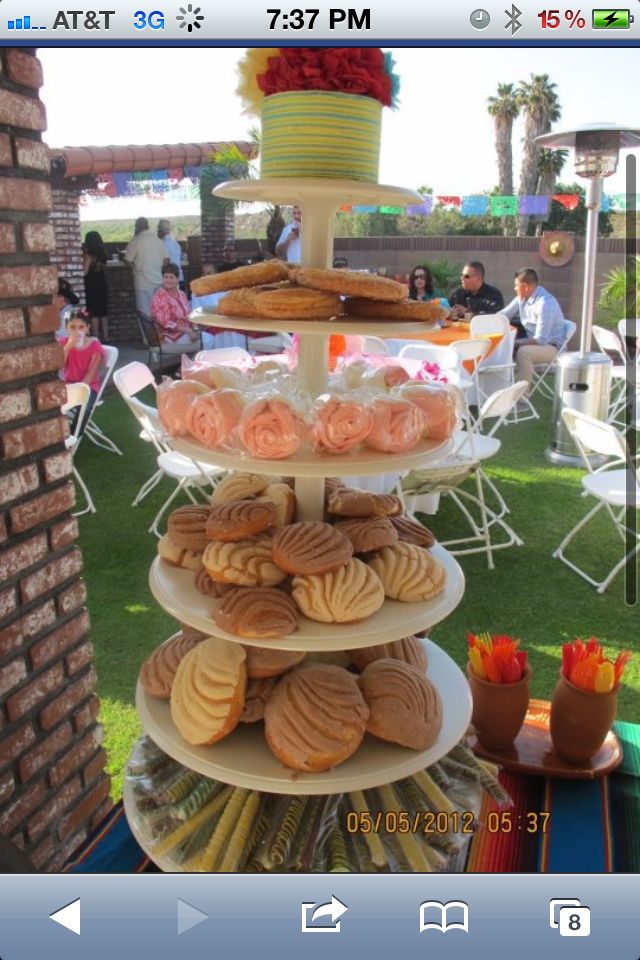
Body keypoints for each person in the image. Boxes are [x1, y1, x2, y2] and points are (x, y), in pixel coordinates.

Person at [503, 268, 566, 390]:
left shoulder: (545, 304)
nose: (514, 289)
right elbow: (504, 314)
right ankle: (501, 391)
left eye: (516, 285)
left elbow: (540, 340)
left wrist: (515, 343)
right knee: (502, 347)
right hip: (534, 343)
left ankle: (521, 398)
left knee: (523, 353)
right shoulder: (522, 298)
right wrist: (480, 320)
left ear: (525, 286)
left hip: (552, 347)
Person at [60, 308, 105, 434]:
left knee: (85, 406)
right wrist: (68, 346)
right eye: (72, 327)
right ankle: (59, 432)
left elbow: (91, 372)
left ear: (88, 328)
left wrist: (80, 390)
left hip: (89, 386)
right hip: (68, 383)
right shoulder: (63, 343)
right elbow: (58, 365)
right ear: (66, 327)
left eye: (81, 327)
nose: (77, 331)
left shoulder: (94, 345)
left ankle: (74, 435)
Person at [149, 263, 200, 353]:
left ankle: (190, 362)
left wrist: (195, 329)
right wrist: (189, 331)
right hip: (168, 335)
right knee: (206, 342)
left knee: (209, 336)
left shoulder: (182, 294)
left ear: (177, 280)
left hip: (186, 331)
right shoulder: (159, 296)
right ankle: (191, 363)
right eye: (166, 277)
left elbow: (189, 314)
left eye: (171, 277)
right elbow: (165, 322)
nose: (168, 280)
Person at [124, 216, 168, 316]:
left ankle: (148, 332)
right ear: (147, 226)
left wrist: (135, 269)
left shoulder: (136, 240)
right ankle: (158, 331)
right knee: (159, 310)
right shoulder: (158, 240)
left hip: (143, 282)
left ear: (137, 227)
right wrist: (159, 270)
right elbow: (167, 260)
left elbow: (127, 260)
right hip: (158, 280)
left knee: (145, 312)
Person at [82, 230, 109, 342]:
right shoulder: (103, 254)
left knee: (93, 312)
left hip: (91, 285)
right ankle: (107, 337)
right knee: (103, 312)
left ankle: (96, 338)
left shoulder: (88, 256)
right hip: (102, 284)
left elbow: (85, 272)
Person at [157, 219, 184, 287]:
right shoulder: (174, 242)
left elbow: (166, 261)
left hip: (170, 279)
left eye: (160, 228)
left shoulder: (164, 243)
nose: (158, 230)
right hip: (178, 276)